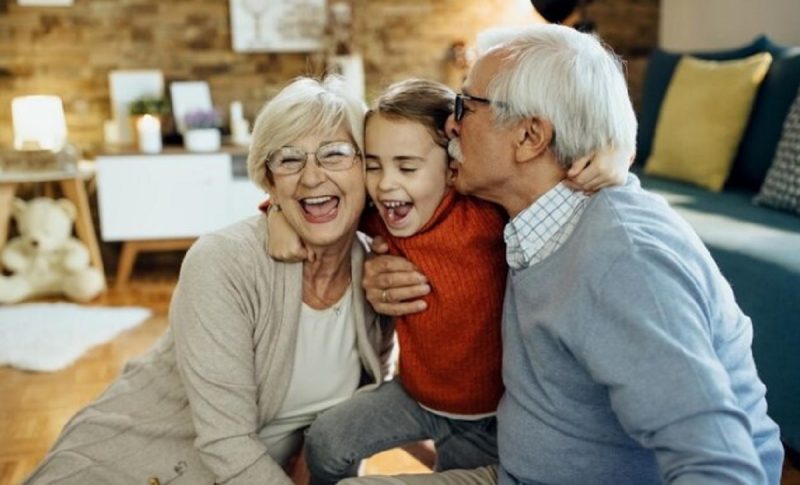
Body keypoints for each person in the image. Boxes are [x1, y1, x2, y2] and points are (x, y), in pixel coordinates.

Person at [357, 24, 784, 484]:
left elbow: (723, 467)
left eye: (467, 105)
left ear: (530, 137)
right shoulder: (524, 212)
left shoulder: (625, 263)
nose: (451, 124)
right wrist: (379, 263)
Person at [24, 76, 395, 485]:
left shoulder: (378, 269)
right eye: (288, 160)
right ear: (270, 182)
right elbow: (226, 441)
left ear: (367, 167)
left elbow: (357, 409)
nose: (311, 177)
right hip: (135, 467)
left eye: (335, 154)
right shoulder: (223, 261)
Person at [265, 78, 631, 483]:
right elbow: (319, 205)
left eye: (406, 166)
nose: (385, 184)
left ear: (454, 170)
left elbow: (560, 180)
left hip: (488, 415)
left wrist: (617, 151)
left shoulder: (486, 215)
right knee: (327, 441)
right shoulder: (382, 214)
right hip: (415, 393)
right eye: (373, 164)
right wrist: (277, 214)